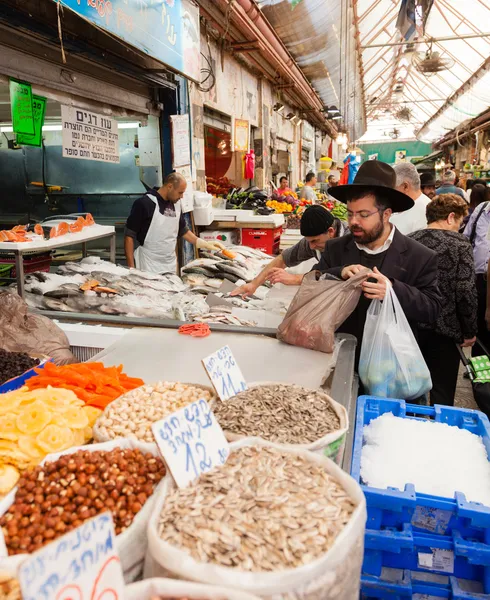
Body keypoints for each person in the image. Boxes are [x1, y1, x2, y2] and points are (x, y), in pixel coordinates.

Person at [316, 160, 442, 368]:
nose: (353, 221)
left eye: (364, 215)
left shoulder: (420, 256)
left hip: (390, 367)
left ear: (386, 214)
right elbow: (312, 282)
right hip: (337, 360)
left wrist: (393, 290)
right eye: (350, 213)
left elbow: (432, 309)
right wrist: (339, 273)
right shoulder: (335, 249)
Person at [409, 194, 477, 406]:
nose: (459, 227)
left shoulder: (409, 239)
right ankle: (440, 430)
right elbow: (465, 289)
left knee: (411, 387)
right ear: (450, 217)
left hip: (412, 325)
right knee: (442, 389)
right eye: (459, 221)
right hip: (446, 329)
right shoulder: (460, 244)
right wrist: (469, 330)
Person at [231, 206, 346, 296]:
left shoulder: (351, 241)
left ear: (331, 231)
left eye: (315, 241)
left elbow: (338, 275)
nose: (311, 247)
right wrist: (254, 284)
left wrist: (295, 279)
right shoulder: (313, 242)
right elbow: (283, 259)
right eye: (309, 241)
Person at [125, 173, 224, 274]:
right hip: (148, 264)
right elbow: (129, 237)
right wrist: (131, 269)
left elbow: (183, 231)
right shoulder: (144, 203)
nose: (181, 197)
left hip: (169, 264)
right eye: (180, 193)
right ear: (169, 186)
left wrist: (202, 243)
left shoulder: (176, 205)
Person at [463, 187, 490, 355]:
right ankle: (480, 374)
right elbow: (466, 237)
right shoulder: (481, 210)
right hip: (480, 279)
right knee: (479, 326)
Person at [390, 163, 431, 234]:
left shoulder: (426, 211)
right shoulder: (403, 206)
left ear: (405, 186)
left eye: (394, 188)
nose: (391, 193)